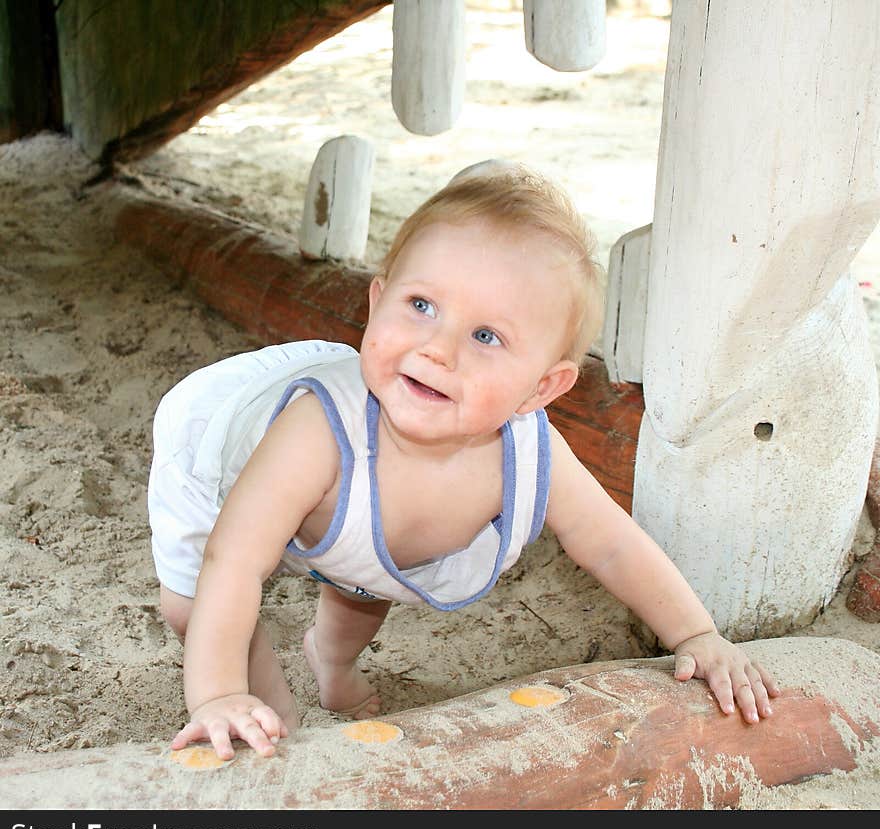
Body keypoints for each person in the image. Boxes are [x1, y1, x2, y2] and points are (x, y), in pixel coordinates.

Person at [148, 163, 780, 761]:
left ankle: (331, 661)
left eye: (486, 337)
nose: (437, 348)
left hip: (349, 526)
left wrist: (697, 636)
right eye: (421, 305)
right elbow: (235, 558)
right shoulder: (314, 430)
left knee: (363, 580)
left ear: (541, 389)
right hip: (223, 457)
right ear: (376, 303)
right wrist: (217, 693)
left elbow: (612, 544)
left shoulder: (527, 450)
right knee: (198, 606)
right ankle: (261, 707)